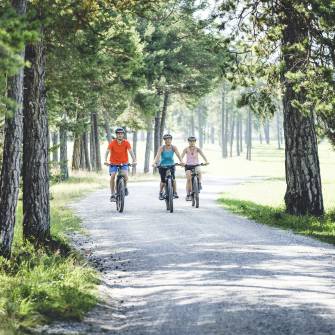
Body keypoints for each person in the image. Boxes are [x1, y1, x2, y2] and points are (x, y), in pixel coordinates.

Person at [105, 127, 137, 202]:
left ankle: (125, 187)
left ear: (123, 135)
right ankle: (113, 194)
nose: (120, 135)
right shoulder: (112, 143)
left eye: (121, 134)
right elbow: (107, 152)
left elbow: (131, 152)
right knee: (113, 176)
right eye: (118, 134)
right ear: (116, 135)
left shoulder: (126, 142)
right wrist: (105, 160)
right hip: (113, 163)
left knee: (125, 175)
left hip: (124, 162)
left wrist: (134, 160)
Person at [152, 134, 184, 200]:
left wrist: (181, 161)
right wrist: (154, 163)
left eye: (169, 139)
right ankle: (160, 193)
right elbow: (157, 156)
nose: (168, 140)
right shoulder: (162, 148)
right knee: (163, 181)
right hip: (163, 166)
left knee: (173, 179)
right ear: (164, 141)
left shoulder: (173, 147)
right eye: (166, 139)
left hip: (171, 165)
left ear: (171, 140)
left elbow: (178, 154)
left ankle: (175, 192)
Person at [181, 136, 209, 201]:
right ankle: (188, 194)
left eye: (193, 141)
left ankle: (199, 183)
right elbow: (181, 157)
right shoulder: (186, 149)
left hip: (196, 165)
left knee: (199, 171)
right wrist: (181, 162)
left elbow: (203, 155)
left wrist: (206, 161)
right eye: (190, 141)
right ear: (188, 142)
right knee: (188, 179)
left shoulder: (197, 149)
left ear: (195, 142)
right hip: (188, 166)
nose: (192, 142)